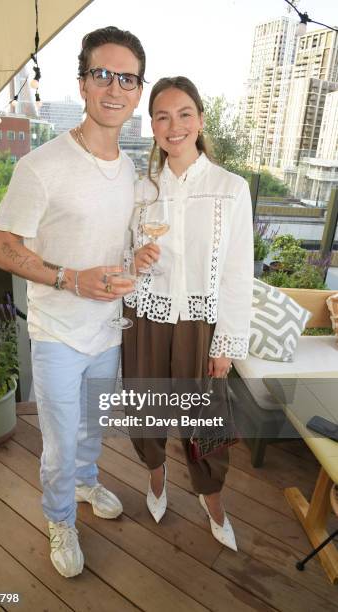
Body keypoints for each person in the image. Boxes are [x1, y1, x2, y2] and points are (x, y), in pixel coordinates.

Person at [0, 26, 145, 578]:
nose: (115, 87)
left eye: (127, 78)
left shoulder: (128, 169)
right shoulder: (41, 166)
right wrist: (72, 280)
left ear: (138, 91)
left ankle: (85, 483)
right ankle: (59, 518)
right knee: (57, 438)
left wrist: (134, 263)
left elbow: (115, 246)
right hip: (56, 332)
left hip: (107, 329)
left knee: (91, 428)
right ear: (82, 84)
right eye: (103, 74)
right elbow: (0, 246)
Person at [123, 76, 253, 552]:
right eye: (161, 116)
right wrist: (132, 261)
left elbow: (239, 271)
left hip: (203, 324)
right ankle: (156, 476)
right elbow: (120, 259)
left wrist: (227, 344)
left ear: (199, 120)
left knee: (208, 422)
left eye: (183, 114)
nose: (173, 125)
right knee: (146, 412)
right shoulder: (140, 190)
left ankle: (211, 498)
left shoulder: (230, 189)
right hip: (146, 318)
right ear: (152, 125)